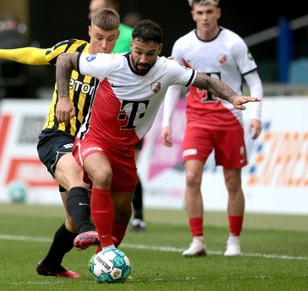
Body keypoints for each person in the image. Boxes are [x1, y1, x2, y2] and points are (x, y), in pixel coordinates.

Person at [55, 19, 260, 252]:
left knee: (123, 212)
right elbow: (65, 59)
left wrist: (233, 97)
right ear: (131, 45)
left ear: (160, 50)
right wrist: (64, 97)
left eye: (150, 54)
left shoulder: (167, 69)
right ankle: (103, 243)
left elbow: (207, 81)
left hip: (125, 149)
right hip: (94, 139)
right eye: (139, 52)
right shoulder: (110, 64)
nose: (143, 59)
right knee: (102, 175)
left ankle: (103, 257)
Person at [0, 8, 121, 278]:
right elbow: (37, 56)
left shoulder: (117, 68)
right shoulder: (70, 50)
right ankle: (91, 231)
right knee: (78, 183)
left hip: (88, 142)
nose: (103, 45)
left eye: (110, 39)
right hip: (57, 136)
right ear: (90, 31)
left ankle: (50, 264)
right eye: (99, 37)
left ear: (117, 37)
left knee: (72, 220)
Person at [161, 0, 263, 257]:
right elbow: (174, 85)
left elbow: (253, 79)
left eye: (209, 12)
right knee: (192, 177)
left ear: (217, 13)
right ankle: (198, 240)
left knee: (232, 182)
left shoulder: (233, 43)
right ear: (193, 15)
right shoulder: (183, 45)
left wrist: (256, 115)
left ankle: (234, 241)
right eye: (200, 13)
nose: (205, 17)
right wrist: (166, 121)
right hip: (197, 121)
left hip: (230, 120)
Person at [88, 0, 147, 232]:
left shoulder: (131, 37)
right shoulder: (93, 39)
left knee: (128, 167)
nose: (105, 44)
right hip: (101, 113)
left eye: (97, 10)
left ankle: (138, 215)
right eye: (91, 11)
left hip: (129, 113)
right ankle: (98, 220)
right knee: (98, 170)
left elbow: (143, 65)